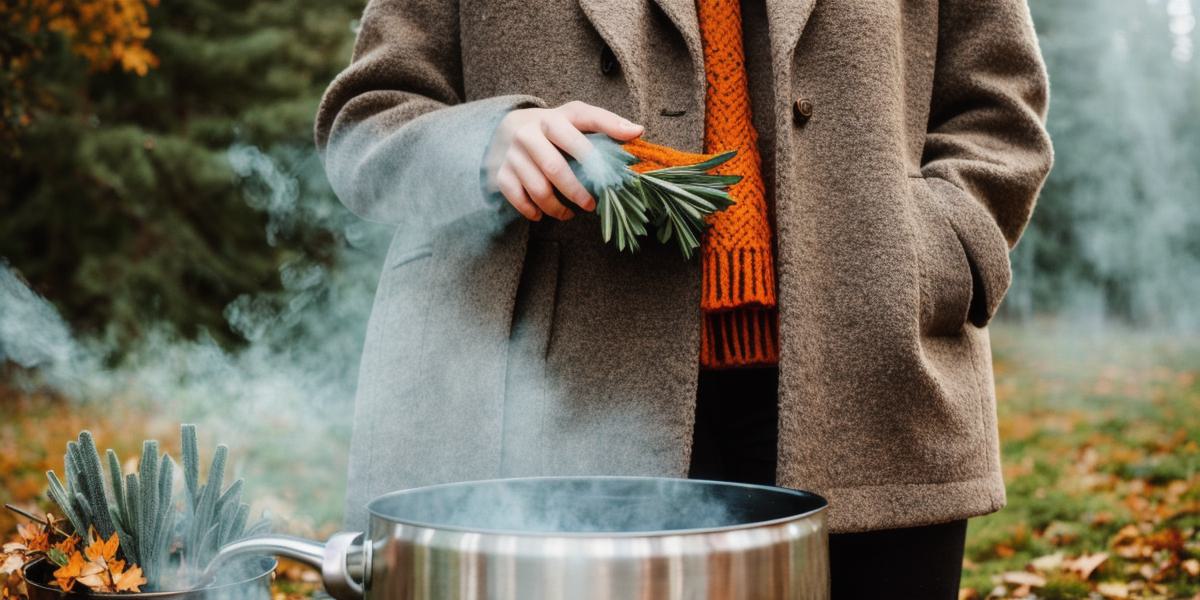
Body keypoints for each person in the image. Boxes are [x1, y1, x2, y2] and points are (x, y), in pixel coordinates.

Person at [315, 0, 1052, 597]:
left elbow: (998, 110)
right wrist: (486, 140)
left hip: (873, 385)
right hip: (549, 410)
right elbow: (368, 117)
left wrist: (928, 253)